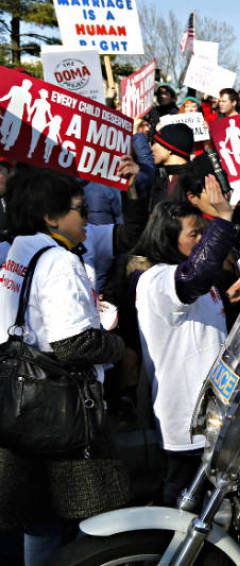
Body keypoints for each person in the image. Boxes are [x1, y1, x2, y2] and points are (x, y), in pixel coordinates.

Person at [0, 169, 128, 566]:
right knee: (67, 520)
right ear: (50, 217)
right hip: (60, 410)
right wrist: (116, 343)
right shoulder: (57, 260)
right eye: (80, 210)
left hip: (22, 400)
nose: (87, 219)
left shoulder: (19, 248)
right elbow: (73, 344)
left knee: (37, 519)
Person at [132, 185, 240, 505]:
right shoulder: (157, 279)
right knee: (184, 504)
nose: (201, 242)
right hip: (188, 419)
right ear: (168, 239)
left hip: (218, 412)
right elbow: (193, 277)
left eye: (203, 234)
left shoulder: (188, 280)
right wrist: (223, 218)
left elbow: (191, 324)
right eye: (194, 235)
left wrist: (226, 301)